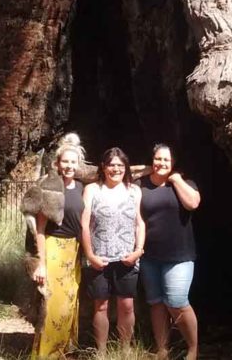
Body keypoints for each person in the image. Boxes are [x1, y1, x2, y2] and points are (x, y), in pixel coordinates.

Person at [138, 144, 201, 360]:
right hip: (150, 256)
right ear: (151, 161)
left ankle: (193, 348)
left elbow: (193, 203)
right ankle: (162, 348)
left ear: (173, 163)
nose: (161, 163)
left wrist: (176, 180)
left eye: (166, 160)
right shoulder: (142, 186)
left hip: (179, 257)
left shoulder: (185, 183)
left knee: (176, 301)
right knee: (156, 302)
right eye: (157, 159)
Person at [81, 147, 145, 352]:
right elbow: (84, 224)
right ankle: (101, 351)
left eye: (120, 165)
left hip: (127, 257)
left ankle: (125, 349)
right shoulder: (92, 190)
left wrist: (138, 250)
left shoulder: (134, 191)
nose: (115, 169)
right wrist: (90, 255)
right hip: (99, 258)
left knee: (126, 306)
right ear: (103, 167)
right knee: (101, 306)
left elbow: (139, 223)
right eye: (111, 165)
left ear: (126, 168)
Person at [30, 133, 86, 360]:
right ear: (58, 164)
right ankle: (46, 355)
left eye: (73, 162)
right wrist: (40, 264)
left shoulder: (82, 187)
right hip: (54, 249)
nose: (69, 166)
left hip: (74, 251)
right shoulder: (50, 188)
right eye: (66, 161)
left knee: (71, 302)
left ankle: (65, 351)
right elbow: (40, 230)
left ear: (78, 164)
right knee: (53, 304)